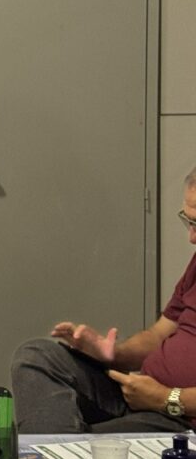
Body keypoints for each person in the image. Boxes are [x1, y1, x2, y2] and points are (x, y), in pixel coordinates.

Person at [11, 166, 196, 433]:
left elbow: (165, 400)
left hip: (179, 419)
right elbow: (158, 336)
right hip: (142, 395)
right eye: (189, 221)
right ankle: (59, 449)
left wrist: (166, 399)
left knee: (95, 447)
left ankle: (61, 450)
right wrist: (114, 354)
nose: (191, 238)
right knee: (36, 357)